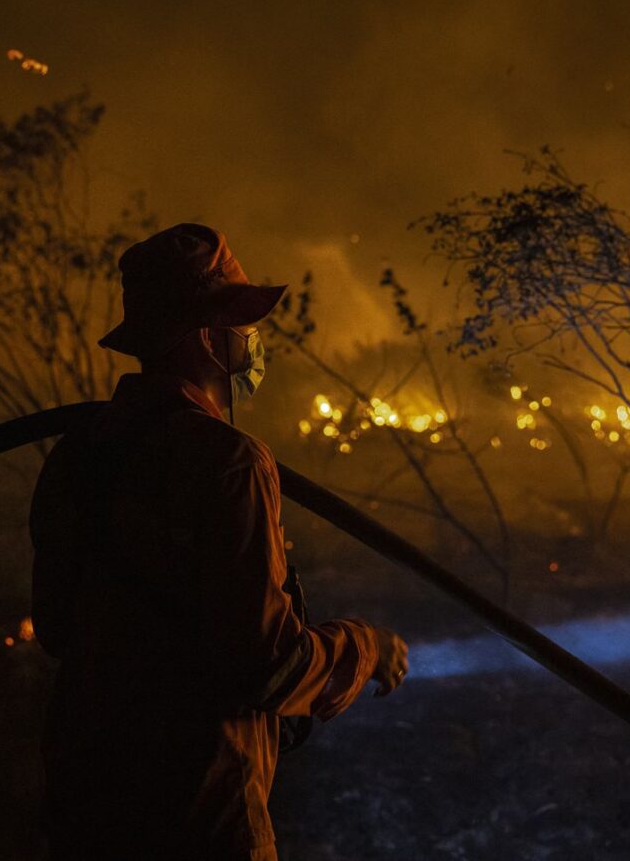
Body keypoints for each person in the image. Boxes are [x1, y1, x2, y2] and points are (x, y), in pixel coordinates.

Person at [29, 223, 408, 861]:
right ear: (209, 335)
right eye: (245, 326)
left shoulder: (79, 453)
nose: (254, 343)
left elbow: (57, 628)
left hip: (88, 803)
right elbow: (271, 665)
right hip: (200, 811)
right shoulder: (230, 461)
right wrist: (364, 647)